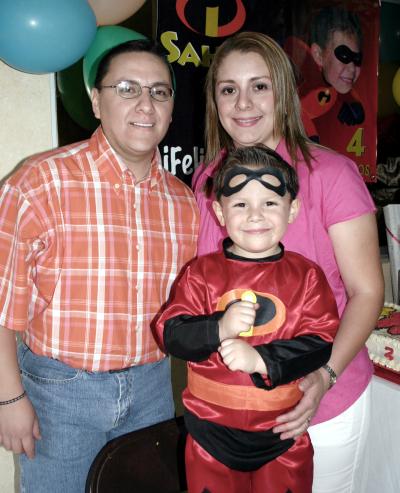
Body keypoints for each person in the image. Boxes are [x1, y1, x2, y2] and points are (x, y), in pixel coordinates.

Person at [0, 39, 198, 493]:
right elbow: (2, 303)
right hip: (60, 393)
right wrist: (8, 397)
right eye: (126, 88)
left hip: (151, 388)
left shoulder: (183, 202)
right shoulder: (39, 182)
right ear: (95, 100)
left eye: (159, 92)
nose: (145, 104)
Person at [192, 31, 384, 492]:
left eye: (259, 85)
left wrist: (324, 375)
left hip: (320, 404)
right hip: (231, 415)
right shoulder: (206, 180)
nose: (243, 103)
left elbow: (367, 291)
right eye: (228, 88)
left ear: (282, 91)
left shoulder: (331, 174)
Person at [154, 144, 339, 493]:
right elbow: (170, 333)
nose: (255, 215)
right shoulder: (201, 274)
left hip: (282, 436)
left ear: (292, 209)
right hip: (211, 436)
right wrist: (217, 328)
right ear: (220, 212)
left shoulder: (307, 277)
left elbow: (320, 342)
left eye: (269, 202)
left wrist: (261, 359)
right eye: (240, 204)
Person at [284, 7, 364, 142]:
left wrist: (352, 103)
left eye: (357, 59)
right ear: (318, 55)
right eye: (344, 55)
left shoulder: (334, 80)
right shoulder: (305, 72)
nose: (352, 68)